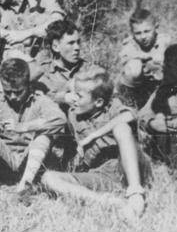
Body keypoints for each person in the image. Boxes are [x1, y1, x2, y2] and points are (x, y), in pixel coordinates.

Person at [40, 69, 151, 220]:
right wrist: (64, 96)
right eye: (74, 94)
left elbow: (130, 115)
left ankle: (135, 193)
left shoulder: (111, 105)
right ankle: (107, 202)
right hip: (101, 175)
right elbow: (45, 97)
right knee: (49, 178)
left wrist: (93, 136)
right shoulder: (73, 113)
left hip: (127, 168)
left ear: (98, 102)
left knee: (121, 128)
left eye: (79, 95)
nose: (74, 99)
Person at [0, 58, 66, 195]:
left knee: (44, 136)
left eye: (18, 91)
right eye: (8, 92)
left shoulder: (40, 101)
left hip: (30, 158)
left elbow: (60, 119)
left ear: (28, 85)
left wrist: (24, 127)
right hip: (4, 159)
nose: (13, 97)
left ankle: (25, 185)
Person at [34, 20, 106, 107]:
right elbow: (41, 99)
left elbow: (109, 96)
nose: (77, 47)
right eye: (71, 43)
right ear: (56, 47)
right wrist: (63, 97)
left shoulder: (91, 70)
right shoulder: (44, 72)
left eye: (78, 42)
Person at [115, 8, 172, 109]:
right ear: (132, 33)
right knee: (134, 67)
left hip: (160, 84)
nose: (143, 36)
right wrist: (146, 58)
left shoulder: (164, 40)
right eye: (138, 33)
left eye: (147, 31)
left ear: (156, 27)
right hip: (138, 87)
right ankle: (132, 102)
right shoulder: (130, 44)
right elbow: (126, 58)